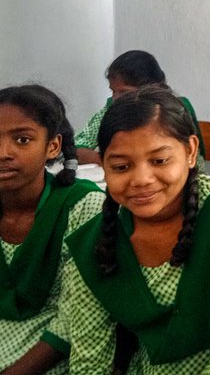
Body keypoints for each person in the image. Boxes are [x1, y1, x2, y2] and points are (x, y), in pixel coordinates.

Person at [58, 87, 210, 374]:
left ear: (191, 151)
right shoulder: (97, 242)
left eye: (159, 161)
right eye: (121, 166)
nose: (142, 179)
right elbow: (89, 362)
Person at [0, 85, 103, 374]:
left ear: (53, 147)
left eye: (22, 139)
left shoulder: (83, 206)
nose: (3, 152)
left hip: (49, 357)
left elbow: (75, 318)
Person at [74, 50, 205, 166]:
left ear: (153, 87)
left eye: (124, 92)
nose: (116, 98)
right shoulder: (112, 109)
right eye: (113, 91)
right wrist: (106, 159)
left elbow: (191, 161)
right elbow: (75, 148)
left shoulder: (173, 110)